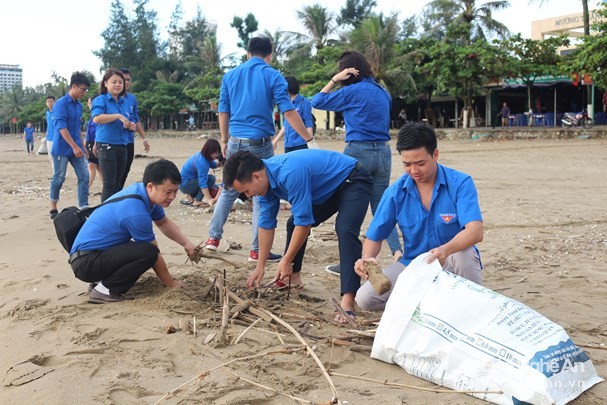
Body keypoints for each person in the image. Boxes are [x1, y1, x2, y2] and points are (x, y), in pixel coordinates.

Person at [224, 149, 372, 323]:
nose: (248, 196)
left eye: (247, 191)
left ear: (257, 177)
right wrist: (260, 266)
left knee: (345, 229)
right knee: (292, 223)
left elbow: (305, 223)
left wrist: (286, 260)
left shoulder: (290, 173)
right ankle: (293, 279)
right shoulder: (264, 186)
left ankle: (348, 300)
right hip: (326, 190)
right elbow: (266, 224)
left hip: (352, 179)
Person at [203, 36, 314, 263]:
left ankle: (212, 240)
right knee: (262, 195)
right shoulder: (273, 75)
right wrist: (307, 136)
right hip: (261, 143)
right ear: (270, 55)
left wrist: (224, 140)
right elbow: (288, 111)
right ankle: (256, 251)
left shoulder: (230, 76)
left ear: (247, 54)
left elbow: (223, 111)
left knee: (227, 190)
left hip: (235, 140)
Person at [355, 123, 484, 312]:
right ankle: (429, 306)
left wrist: (445, 250)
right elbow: (375, 236)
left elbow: (475, 231)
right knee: (366, 298)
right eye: (407, 164)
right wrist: (367, 259)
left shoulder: (460, 183)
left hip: (452, 261)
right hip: (414, 265)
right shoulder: (395, 193)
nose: (414, 170)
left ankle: (471, 309)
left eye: (420, 163)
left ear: (435, 155)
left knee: (463, 256)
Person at [311, 50, 402, 275]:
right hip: (383, 151)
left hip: (358, 150)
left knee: (350, 209)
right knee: (382, 208)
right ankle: (400, 254)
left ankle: (348, 265)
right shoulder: (383, 92)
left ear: (348, 71)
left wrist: (334, 80)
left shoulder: (352, 91)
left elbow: (317, 101)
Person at [69, 159, 197, 304]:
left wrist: (187, 244)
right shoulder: (136, 211)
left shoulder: (142, 194)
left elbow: (163, 222)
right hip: (86, 263)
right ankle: (104, 290)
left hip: (92, 256)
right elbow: (153, 252)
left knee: (140, 249)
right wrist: (171, 283)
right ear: (150, 186)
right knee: (147, 252)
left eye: (175, 191)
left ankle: (101, 283)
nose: (172, 197)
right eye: (168, 192)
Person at [49, 71, 91, 220]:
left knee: (84, 176)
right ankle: (53, 208)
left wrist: (82, 145)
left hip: (77, 148)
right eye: (83, 89)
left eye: (86, 90)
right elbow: (62, 128)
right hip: (62, 148)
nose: (84, 92)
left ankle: (83, 206)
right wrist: (74, 146)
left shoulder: (78, 105)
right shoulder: (60, 104)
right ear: (74, 86)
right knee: (59, 178)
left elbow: (76, 127)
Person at [91, 68, 136, 202]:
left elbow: (129, 120)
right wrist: (117, 116)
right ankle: (104, 214)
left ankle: (114, 212)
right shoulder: (101, 100)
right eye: (114, 82)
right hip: (106, 145)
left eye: (120, 82)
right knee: (109, 184)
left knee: (118, 183)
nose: (118, 85)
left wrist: (130, 126)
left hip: (122, 145)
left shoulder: (125, 102)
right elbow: (97, 118)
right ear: (105, 83)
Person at [118, 67, 150, 190]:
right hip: (114, 141)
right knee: (113, 175)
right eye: (122, 80)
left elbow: (136, 120)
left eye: (128, 80)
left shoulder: (132, 99)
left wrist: (144, 138)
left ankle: (118, 195)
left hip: (129, 140)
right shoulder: (108, 98)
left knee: (125, 170)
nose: (125, 83)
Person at [272, 76, 315, 153]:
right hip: (288, 144)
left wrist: (311, 143)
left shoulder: (304, 102)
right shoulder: (287, 104)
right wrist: (275, 140)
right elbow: (286, 125)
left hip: (301, 144)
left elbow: (309, 124)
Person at [179, 138, 221, 207]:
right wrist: (209, 199)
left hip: (185, 182)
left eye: (217, 153)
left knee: (214, 186)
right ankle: (197, 201)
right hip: (185, 185)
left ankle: (190, 196)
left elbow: (213, 164)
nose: (216, 155)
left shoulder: (203, 156)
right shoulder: (202, 162)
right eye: (215, 153)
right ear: (209, 152)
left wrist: (222, 163)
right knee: (211, 179)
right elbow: (203, 183)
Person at [85, 96, 102, 188]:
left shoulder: (98, 115)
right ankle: (107, 188)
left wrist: (95, 143)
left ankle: (87, 187)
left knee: (92, 165)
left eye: (90, 103)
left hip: (96, 142)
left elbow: (98, 130)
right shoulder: (92, 115)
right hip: (89, 142)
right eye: (89, 103)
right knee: (98, 167)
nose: (89, 105)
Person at [45, 96, 56, 170]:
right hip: (49, 138)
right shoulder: (47, 113)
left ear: (55, 102)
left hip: (56, 138)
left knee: (57, 157)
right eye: (48, 102)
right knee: (51, 158)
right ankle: (55, 173)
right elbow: (49, 125)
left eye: (51, 101)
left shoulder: (57, 112)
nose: (50, 103)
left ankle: (59, 174)